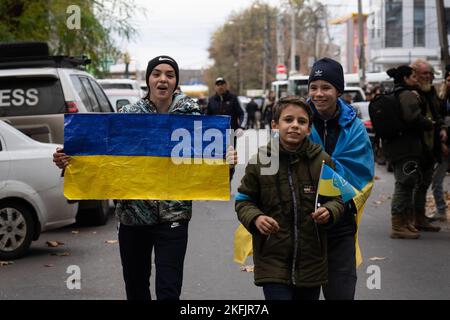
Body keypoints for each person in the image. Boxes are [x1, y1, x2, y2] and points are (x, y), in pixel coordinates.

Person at [53, 55, 237, 300]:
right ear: (148, 80)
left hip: (174, 218)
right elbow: (105, 160)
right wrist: (69, 161)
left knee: (169, 290)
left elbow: (209, 170)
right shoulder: (127, 115)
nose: (163, 79)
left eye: (169, 75)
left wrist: (228, 162)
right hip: (132, 219)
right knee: (136, 288)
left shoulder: (193, 120)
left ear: (175, 82)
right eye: (157, 73)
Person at [235, 96, 344, 300]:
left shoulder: (322, 160)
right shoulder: (260, 160)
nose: (295, 125)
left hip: (312, 262)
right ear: (275, 125)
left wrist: (329, 211)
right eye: (288, 120)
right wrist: (256, 218)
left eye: (301, 122)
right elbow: (243, 200)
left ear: (309, 129)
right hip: (272, 261)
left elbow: (338, 200)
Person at [307, 57, 374, 300]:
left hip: (341, 224)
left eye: (326, 87)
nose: (318, 94)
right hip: (303, 227)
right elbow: (275, 165)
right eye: (313, 87)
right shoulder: (297, 120)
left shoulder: (354, 128)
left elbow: (362, 177)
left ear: (338, 91)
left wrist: (336, 207)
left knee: (341, 294)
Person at [382, 65, 435, 239]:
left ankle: (405, 222)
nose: (416, 79)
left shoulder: (398, 93)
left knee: (408, 183)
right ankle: (398, 225)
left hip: (402, 148)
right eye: (413, 76)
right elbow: (413, 118)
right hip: (406, 149)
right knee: (404, 185)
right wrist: (429, 123)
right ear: (405, 79)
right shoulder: (406, 95)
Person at [409, 58, 447, 232]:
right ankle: (410, 219)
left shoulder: (431, 92)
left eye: (430, 73)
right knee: (412, 183)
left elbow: (439, 114)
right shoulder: (410, 92)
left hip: (432, 146)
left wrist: (442, 128)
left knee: (424, 182)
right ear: (415, 75)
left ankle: (420, 217)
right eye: (425, 73)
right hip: (415, 146)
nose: (429, 76)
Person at [429, 65, 450, 222]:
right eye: (448, 79)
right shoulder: (441, 100)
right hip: (444, 147)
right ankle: (441, 210)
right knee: (436, 181)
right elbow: (438, 122)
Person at [207, 77, 246, 147]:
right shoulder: (211, 100)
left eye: (222, 84)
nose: (220, 86)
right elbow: (207, 116)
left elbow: (242, 113)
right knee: (216, 156)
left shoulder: (234, 98)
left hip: (230, 134)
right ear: (215, 87)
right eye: (218, 85)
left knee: (230, 156)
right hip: (215, 134)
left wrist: (241, 127)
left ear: (226, 85)